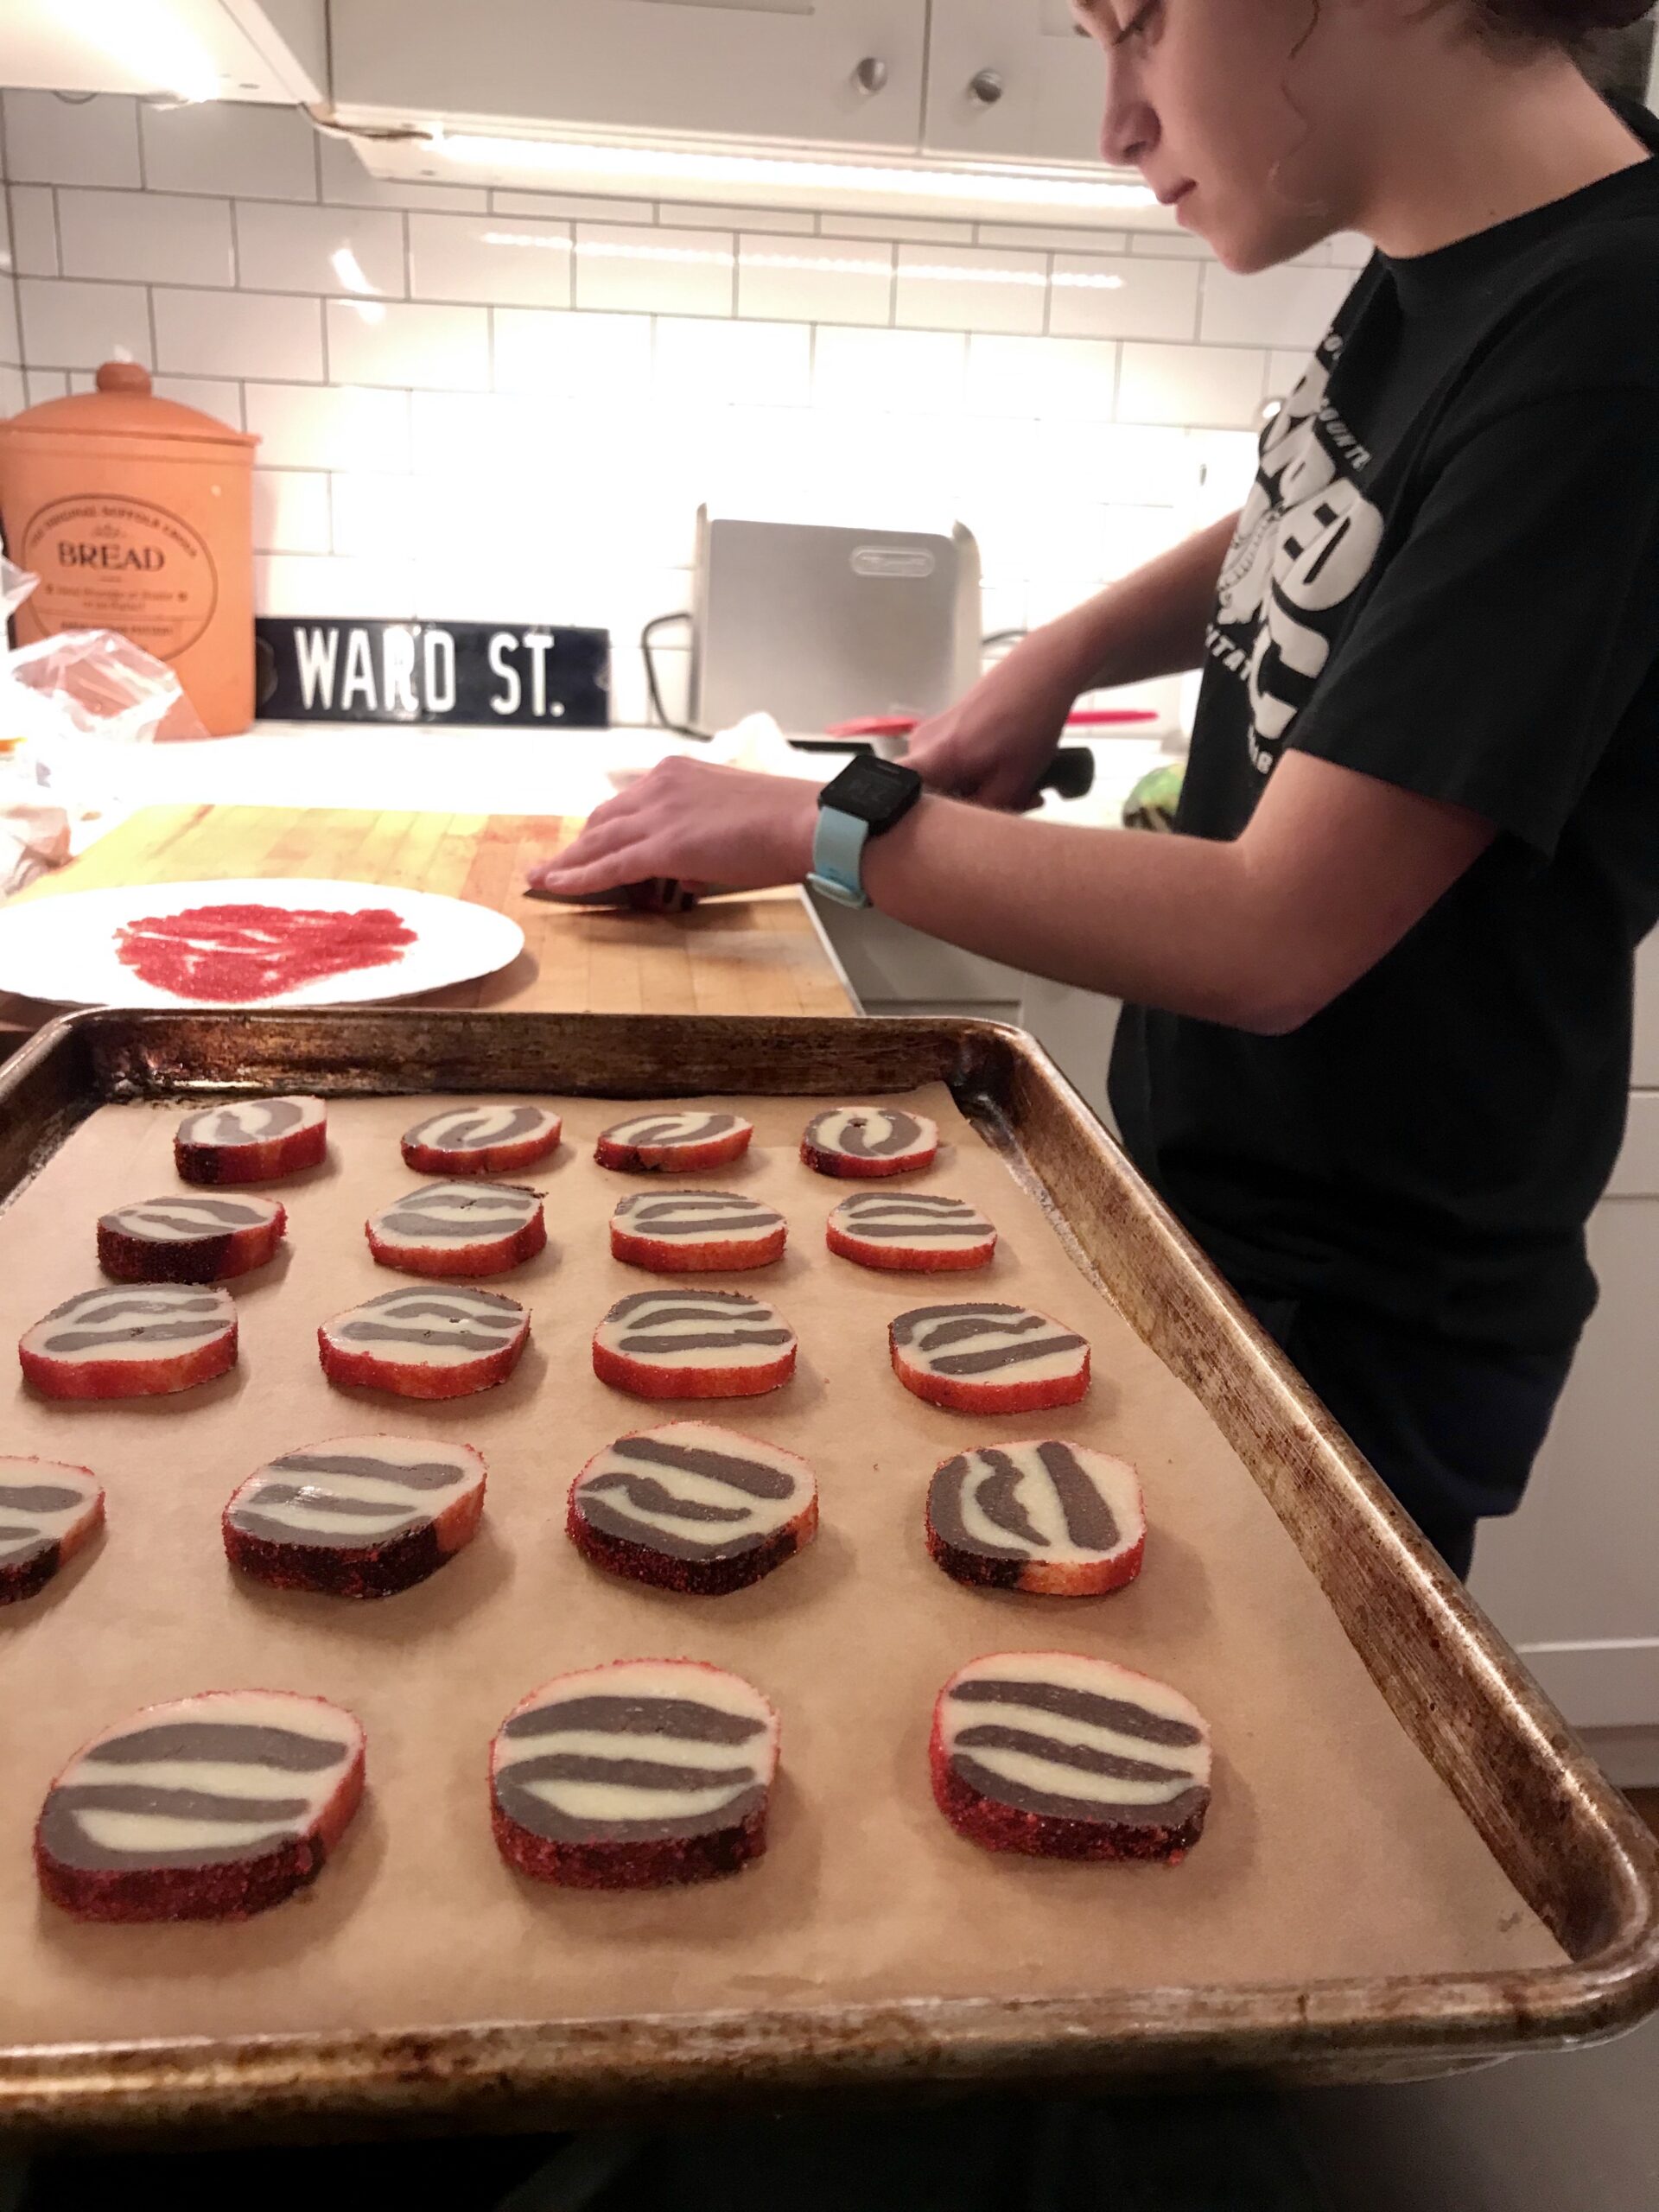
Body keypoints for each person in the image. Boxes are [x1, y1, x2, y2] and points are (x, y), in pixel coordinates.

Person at [531, 0, 1659, 1580]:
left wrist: (823, 823)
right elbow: (1320, 501)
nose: (1116, 122)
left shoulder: (1614, 343)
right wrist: (1056, 653)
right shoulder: (1459, 252)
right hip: (1230, 1212)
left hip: (1363, 1311)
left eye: (1136, 26)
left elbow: (1273, 938)